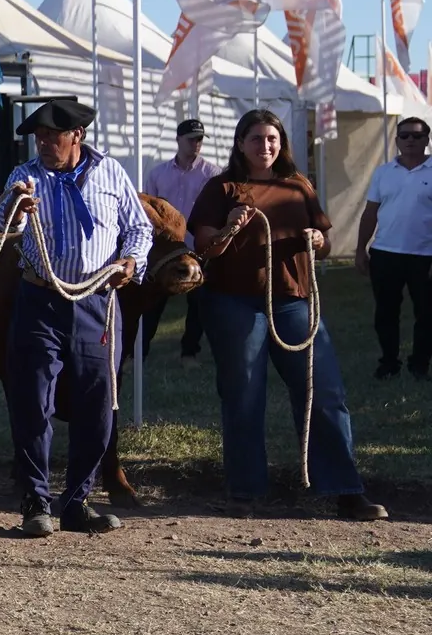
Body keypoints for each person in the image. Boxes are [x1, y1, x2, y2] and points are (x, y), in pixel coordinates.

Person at [190, 108, 387, 519]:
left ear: (281, 144)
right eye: (257, 139)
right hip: (234, 303)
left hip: (294, 301)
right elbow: (204, 249)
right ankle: (244, 491)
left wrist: (318, 240)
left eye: (272, 139)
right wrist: (228, 227)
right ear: (240, 144)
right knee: (244, 395)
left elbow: (325, 244)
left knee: (325, 391)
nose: (266, 146)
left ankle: (345, 489)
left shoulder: (299, 187)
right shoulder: (221, 188)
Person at [0, 99, 151, 539]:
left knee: (98, 404)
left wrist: (132, 262)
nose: (43, 143)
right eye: (38, 136)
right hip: (40, 300)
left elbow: (139, 227)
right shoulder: (24, 178)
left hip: (97, 303)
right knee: (32, 400)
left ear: (76, 135)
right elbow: (3, 231)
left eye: (52, 136)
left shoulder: (112, 173)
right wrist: (17, 214)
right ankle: (35, 500)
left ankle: (77, 500)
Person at [355, 117, 432, 379]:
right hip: (385, 253)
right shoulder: (383, 172)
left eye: (418, 136)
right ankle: (389, 362)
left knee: (427, 313)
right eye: (405, 136)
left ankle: (419, 364)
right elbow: (370, 213)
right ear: (397, 140)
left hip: (425, 255)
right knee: (386, 313)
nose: (411, 140)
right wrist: (360, 249)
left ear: (427, 140)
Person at [142, 118, 218, 362]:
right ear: (178, 140)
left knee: (197, 304)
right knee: (152, 301)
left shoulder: (213, 174)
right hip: (166, 251)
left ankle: (190, 351)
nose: (196, 144)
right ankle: (139, 351)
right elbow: (147, 210)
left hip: (198, 247)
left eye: (199, 139)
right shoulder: (157, 174)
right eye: (191, 139)